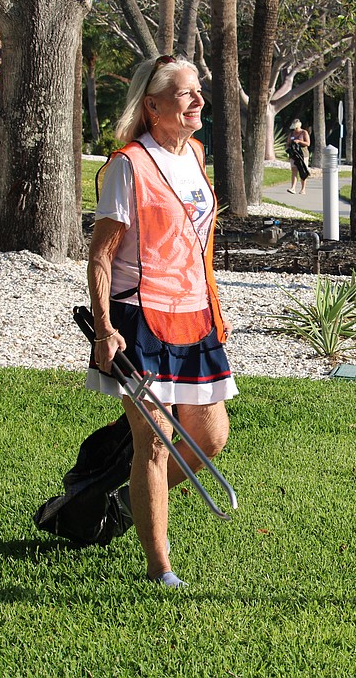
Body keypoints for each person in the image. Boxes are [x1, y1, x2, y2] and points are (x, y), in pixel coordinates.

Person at [87, 55, 237, 587]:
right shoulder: (129, 165)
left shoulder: (195, 154)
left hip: (194, 314)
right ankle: (160, 567)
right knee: (154, 439)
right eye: (184, 93)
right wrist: (105, 326)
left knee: (210, 435)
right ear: (152, 106)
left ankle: (130, 499)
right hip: (140, 316)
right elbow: (101, 253)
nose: (198, 101)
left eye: (198, 91)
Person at [287, 119, 311, 194]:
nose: (295, 129)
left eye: (296, 128)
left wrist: (299, 141)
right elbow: (288, 143)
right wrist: (288, 147)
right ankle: (293, 188)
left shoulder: (304, 132)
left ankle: (303, 189)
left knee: (302, 171)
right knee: (294, 170)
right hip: (294, 155)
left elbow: (308, 143)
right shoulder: (291, 134)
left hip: (303, 154)